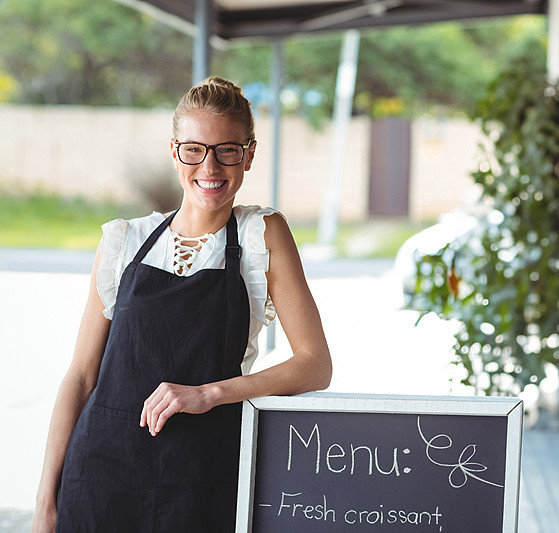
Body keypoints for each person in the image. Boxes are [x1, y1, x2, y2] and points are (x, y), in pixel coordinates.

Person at [30, 77, 332, 533]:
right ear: (175, 153)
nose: (210, 166)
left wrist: (209, 393)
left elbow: (315, 365)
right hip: (98, 478)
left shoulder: (261, 235)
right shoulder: (123, 241)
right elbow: (81, 376)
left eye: (227, 149)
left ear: (248, 153)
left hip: (203, 478)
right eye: (194, 149)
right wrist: (45, 502)